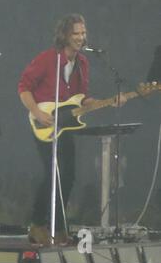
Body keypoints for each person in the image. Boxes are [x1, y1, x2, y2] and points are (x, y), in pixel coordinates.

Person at [18, 13, 126, 246]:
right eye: (76, 33)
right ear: (65, 35)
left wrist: (106, 101)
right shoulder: (48, 59)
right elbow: (24, 87)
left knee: (69, 176)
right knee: (53, 174)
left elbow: (81, 97)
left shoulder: (83, 63)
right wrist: (37, 112)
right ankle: (38, 224)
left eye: (83, 33)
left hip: (66, 124)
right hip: (45, 123)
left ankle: (56, 228)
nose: (81, 37)